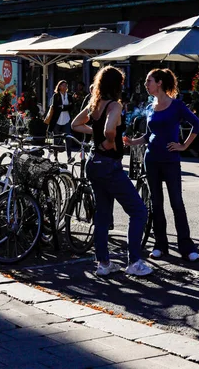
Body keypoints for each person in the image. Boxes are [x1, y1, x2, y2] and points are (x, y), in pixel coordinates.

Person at [71, 66, 152, 277]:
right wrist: (110, 142)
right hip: (109, 165)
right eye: (121, 83)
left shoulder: (94, 104)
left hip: (93, 163)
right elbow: (109, 130)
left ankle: (104, 264)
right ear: (116, 85)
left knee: (103, 214)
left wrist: (96, 133)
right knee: (138, 211)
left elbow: (75, 124)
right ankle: (134, 261)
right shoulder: (114, 106)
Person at [124, 68, 199, 262]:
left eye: (149, 80)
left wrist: (183, 146)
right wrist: (133, 142)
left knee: (176, 202)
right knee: (156, 204)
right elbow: (150, 135)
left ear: (159, 83)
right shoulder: (151, 106)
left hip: (170, 161)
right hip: (151, 160)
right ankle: (160, 245)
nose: (146, 84)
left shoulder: (176, 105)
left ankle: (186, 246)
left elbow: (197, 124)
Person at [48, 80, 74, 162]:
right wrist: (65, 107)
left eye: (66, 85)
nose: (65, 87)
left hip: (66, 119)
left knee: (68, 138)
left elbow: (72, 107)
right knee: (56, 139)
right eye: (63, 85)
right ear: (59, 86)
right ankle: (56, 157)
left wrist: (63, 107)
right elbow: (56, 107)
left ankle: (69, 157)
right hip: (57, 120)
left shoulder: (69, 96)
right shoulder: (56, 96)